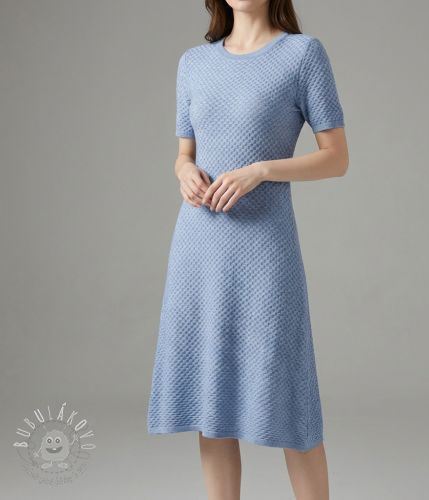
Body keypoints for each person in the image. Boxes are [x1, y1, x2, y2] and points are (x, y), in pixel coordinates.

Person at [147, 0, 349, 498]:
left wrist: (262, 170)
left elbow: (337, 158)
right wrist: (184, 172)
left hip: (265, 251)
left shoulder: (303, 55)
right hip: (198, 246)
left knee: (291, 403)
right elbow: (184, 153)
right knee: (210, 401)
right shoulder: (194, 62)